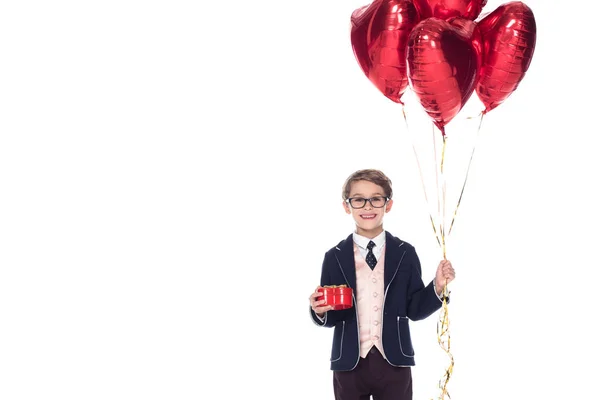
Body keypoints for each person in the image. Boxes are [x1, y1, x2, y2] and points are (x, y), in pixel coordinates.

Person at [309, 169, 455, 400]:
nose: (368, 206)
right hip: (348, 362)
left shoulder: (405, 253)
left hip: (395, 361)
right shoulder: (333, 256)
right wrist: (320, 312)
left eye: (376, 199)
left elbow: (414, 310)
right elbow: (332, 314)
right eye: (358, 200)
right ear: (347, 206)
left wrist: (436, 287)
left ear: (388, 205)